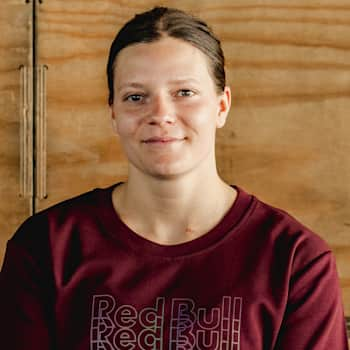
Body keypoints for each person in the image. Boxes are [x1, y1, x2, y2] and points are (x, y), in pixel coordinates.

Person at [0, 6, 348, 350]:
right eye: (136, 97)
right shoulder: (45, 249)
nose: (161, 115)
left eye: (184, 93)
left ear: (221, 105)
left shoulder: (296, 262)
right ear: (114, 113)